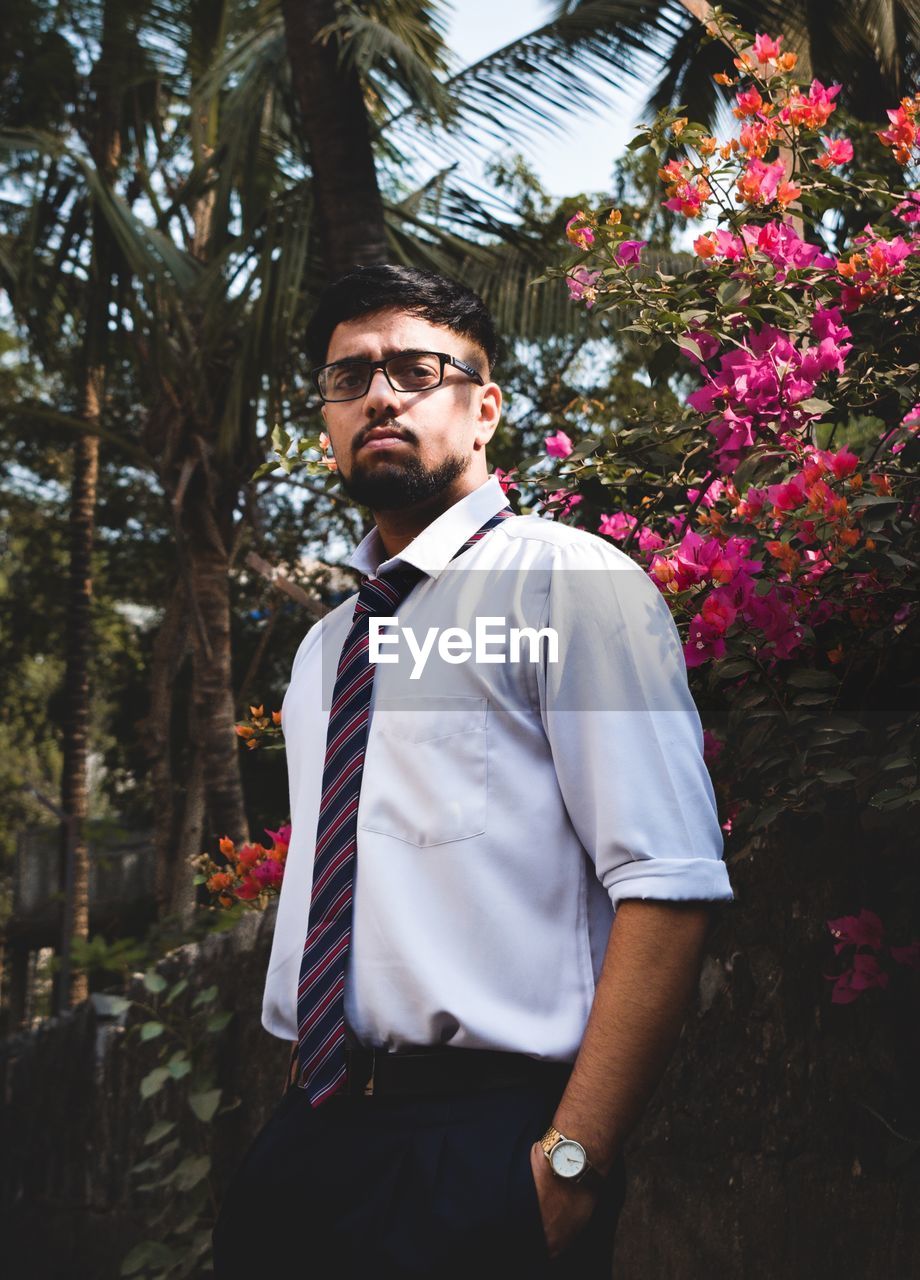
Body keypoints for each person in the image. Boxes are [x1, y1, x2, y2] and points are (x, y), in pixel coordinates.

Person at [212, 265, 733, 1278]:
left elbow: (668, 887)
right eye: (349, 375)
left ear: (484, 406)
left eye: (415, 368)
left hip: (485, 1144)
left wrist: (571, 1164)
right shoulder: (326, 649)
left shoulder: (566, 582)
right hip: (310, 1136)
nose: (379, 395)